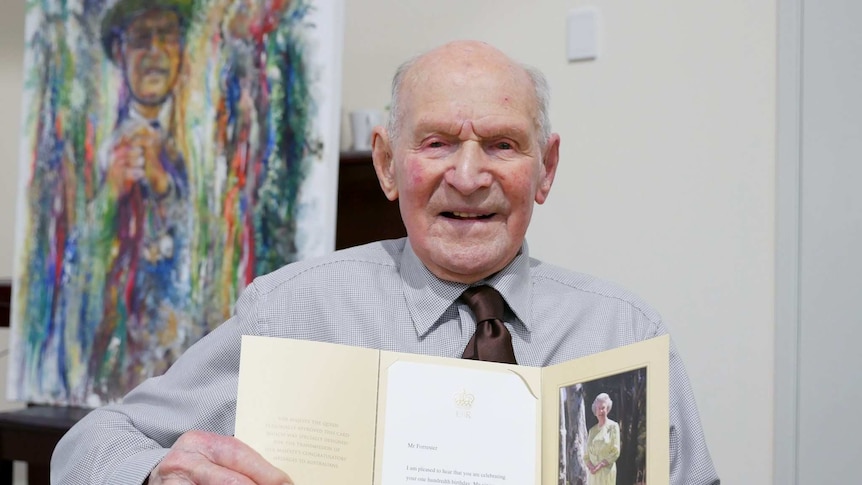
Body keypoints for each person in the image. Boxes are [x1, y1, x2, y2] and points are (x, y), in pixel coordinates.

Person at [52, 40, 720, 485]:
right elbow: (87, 443)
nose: (467, 175)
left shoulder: (626, 334)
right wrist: (156, 475)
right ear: (386, 163)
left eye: (502, 144)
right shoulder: (292, 311)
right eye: (436, 142)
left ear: (545, 169)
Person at [87, 0, 194, 401]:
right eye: (140, 39)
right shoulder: (93, 145)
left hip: (184, 368)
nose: (154, 53)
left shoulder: (203, 146)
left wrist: (165, 186)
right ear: (120, 52)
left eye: (166, 37)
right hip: (111, 366)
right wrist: (108, 197)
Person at [585, 393, 621, 485]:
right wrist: (591, 467)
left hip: (606, 473)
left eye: (603, 408)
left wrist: (599, 466)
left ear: (607, 409)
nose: (600, 411)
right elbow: (586, 455)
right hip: (593, 475)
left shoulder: (613, 426)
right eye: (598, 408)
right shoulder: (592, 431)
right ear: (595, 411)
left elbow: (615, 452)